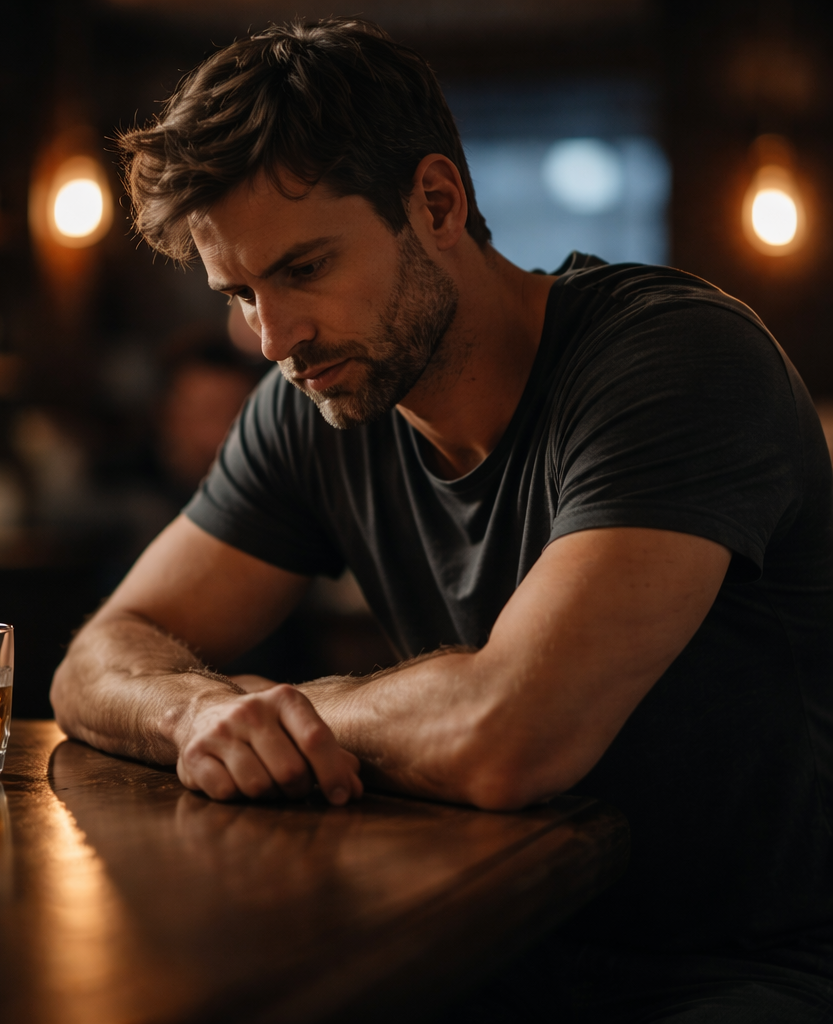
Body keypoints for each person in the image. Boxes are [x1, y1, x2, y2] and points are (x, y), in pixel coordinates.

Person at [51, 19, 833, 1022]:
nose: (273, 337)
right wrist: (195, 712)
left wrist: (284, 716)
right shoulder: (312, 400)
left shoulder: (672, 360)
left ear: (436, 203)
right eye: (240, 294)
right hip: (485, 942)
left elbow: (511, 732)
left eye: (302, 268)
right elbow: (98, 657)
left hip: (748, 967)